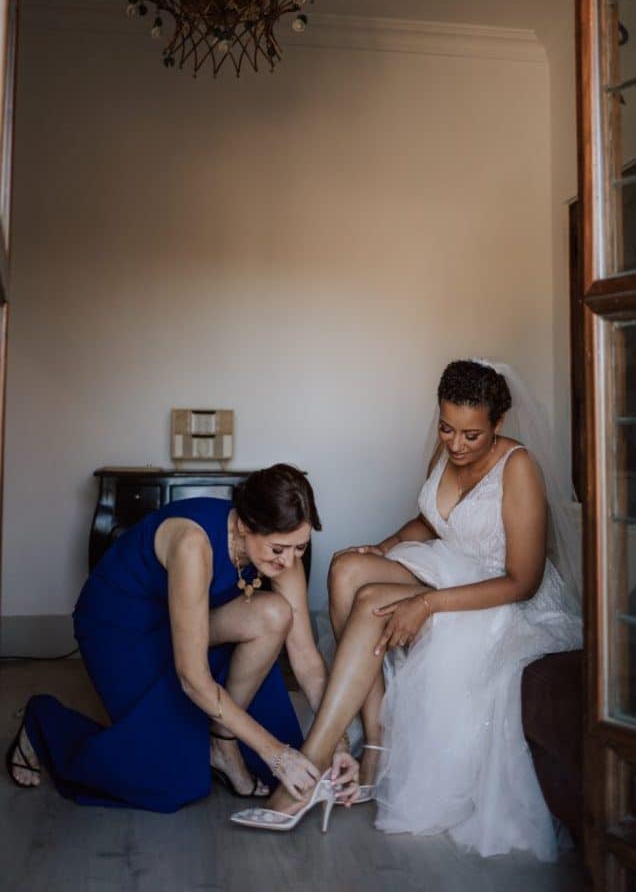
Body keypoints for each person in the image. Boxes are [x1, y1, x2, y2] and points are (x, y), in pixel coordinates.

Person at [232, 360, 581, 860]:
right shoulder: (445, 453)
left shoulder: (518, 467)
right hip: (450, 566)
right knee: (348, 566)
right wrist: (387, 545)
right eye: (446, 428)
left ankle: (308, 771)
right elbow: (433, 517)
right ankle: (376, 739)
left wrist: (425, 602)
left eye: (471, 435)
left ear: (499, 424)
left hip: (496, 591)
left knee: (373, 601)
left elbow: (522, 582)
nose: (455, 445)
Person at [6, 464, 358, 811]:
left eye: (300, 547)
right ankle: (43, 723)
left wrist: (336, 743)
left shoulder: (283, 554)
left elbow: (307, 659)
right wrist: (276, 753)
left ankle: (223, 742)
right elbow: (192, 679)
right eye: (279, 549)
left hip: (194, 624)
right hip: (123, 628)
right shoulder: (193, 544)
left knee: (276, 613)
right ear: (244, 525)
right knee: (174, 780)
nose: (289, 561)